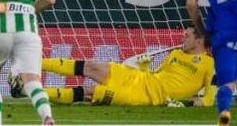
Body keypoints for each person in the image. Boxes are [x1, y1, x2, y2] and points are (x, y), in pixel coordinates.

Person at [41, 24, 215, 107]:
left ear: (199, 41)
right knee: (92, 66)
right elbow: (157, 76)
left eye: (187, 36)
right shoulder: (176, 54)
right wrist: (145, 66)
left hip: (143, 96)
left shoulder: (210, 64)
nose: (182, 38)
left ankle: (27, 90)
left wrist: (184, 105)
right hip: (138, 77)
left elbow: (208, 100)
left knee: (90, 92)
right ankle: (34, 64)